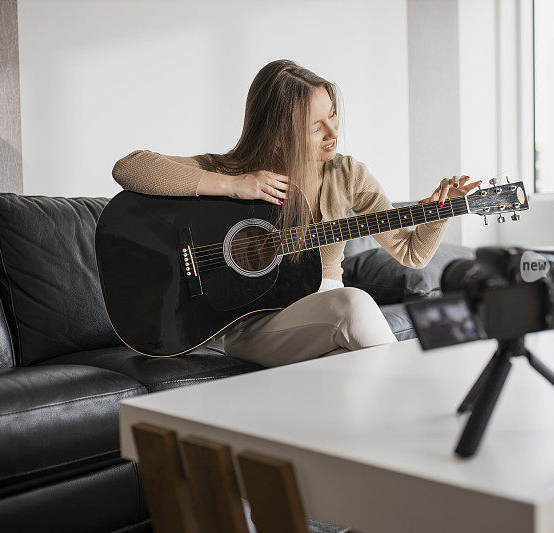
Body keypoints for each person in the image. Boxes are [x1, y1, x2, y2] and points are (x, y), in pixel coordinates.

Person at [112, 59, 480, 367]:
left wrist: (438, 214)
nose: (333, 131)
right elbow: (130, 167)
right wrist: (233, 185)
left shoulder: (348, 173)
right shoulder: (237, 171)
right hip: (257, 325)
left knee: (350, 358)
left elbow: (412, 254)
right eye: (316, 126)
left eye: (333, 116)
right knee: (353, 304)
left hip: (329, 314)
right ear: (276, 134)